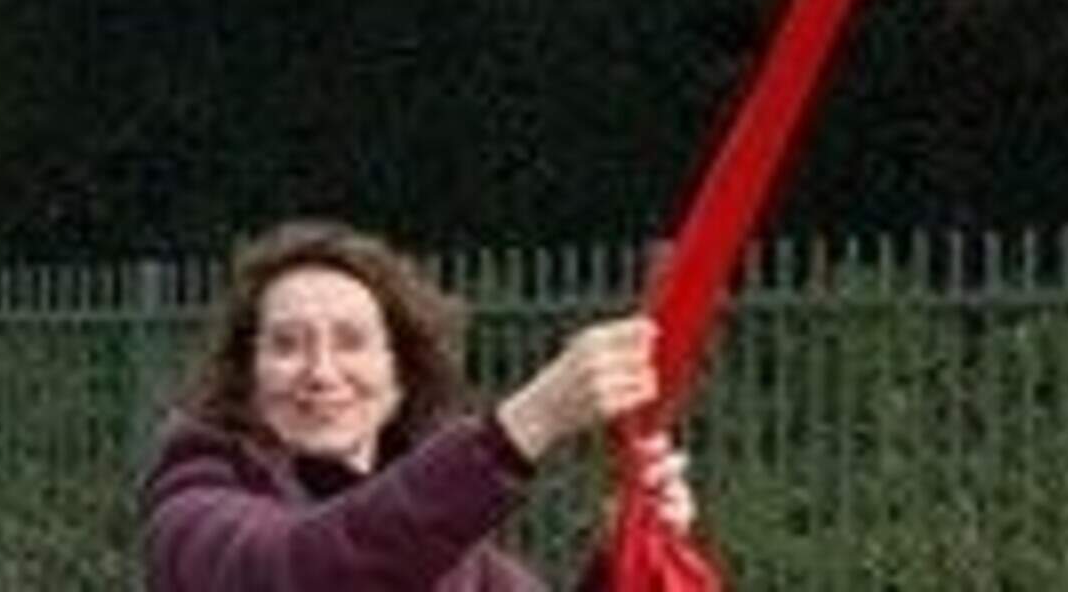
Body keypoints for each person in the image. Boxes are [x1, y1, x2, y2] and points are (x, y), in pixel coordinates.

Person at [142, 219, 698, 591]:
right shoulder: (195, 499)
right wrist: (525, 425)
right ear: (246, 373)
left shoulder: (448, 547)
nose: (321, 372)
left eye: (351, 342)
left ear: (400, 374)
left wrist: (621, 556)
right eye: (287, 345)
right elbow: (307, 569)